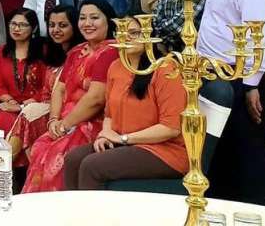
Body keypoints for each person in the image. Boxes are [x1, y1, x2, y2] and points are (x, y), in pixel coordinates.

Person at [198, 0, 265, 205]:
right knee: (223, 146)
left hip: (243, 77)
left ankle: (254, 208)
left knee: (247, 148)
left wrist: (250, 85)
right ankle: (221, 205)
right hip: (216, 74)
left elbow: (261, 37)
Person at [63, 17, 186, 190]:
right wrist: (105, 134)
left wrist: (124, 138)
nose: (126, 37)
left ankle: (93, 209)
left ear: (149, 36)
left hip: (163, 150)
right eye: (121, 33)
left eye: (134, 33)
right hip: (125, 142)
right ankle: (75, 208)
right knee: (73, 159)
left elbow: (171, 128)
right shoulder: (115, 66)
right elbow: (109, 114)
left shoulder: (166, 69)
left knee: (92, 165)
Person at [23, 0, 120, 192]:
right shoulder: (76, 51)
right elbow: (59, 89)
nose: (87, 23)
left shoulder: (111, 51)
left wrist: (65, 124)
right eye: (83, 18)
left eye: (94, 18)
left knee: (58, 154)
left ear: (108, 21)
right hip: (65, 121)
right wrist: (53, 120)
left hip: (93, 121)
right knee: (40, 147)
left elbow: (96, 99)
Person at [6, 5, 83, 167]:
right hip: (48, 109)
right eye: (52, 25)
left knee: (30, 113)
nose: (56, 30)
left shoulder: (81, 54)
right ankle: (6, 165)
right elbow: (45, 91)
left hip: (71, 113)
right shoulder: (50, 53)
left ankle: (2, 164)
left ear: (75, 26)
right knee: (29, 113)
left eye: (63, 25)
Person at [0, 9, 52, 166]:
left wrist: (23, 106)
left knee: (21, 119)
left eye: (23, 25)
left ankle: (10, 168)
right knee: (4, 118)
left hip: (35, 104)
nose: (16, 29)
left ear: (34, 28)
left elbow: (46, 85)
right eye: (13, 24)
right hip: (9, 103)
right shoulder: (1, 51)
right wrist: (11, 102)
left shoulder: (43, 51)